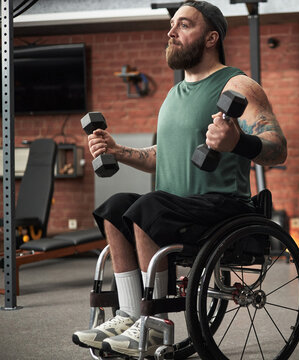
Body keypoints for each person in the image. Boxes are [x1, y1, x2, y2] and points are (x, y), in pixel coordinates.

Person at [72, 1, 287, 357]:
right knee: (113, 208)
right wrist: (118, 149)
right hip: (174, 206)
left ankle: (154, 326)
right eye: (171, 25)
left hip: (221, 206)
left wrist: (237, 141)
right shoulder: (174, 93)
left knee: (146, 207)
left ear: (210, 37)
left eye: (184, 25)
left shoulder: (238, 83)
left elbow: (277, 148)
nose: (171, 31)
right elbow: (162, 155)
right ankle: (128, 314)